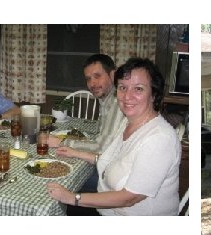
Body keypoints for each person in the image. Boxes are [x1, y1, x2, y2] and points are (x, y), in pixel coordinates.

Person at [46, 58, 181, 216]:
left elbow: (130, 198)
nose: (127, 96)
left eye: (138, 89)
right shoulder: (128, 124)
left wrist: (72, 197)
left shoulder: (159, 139)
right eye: (123, 87)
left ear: (154, 95)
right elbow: (111, 159)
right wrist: (75, 153)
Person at [48, 54, 125, 195]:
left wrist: (61, 142)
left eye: (97, 76)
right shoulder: (106, 99)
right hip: (108, 163)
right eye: (89, 79)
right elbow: (101, 136)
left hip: (114, 176)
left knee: (53, 179)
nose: (92, 84)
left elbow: (101, 148)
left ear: (113, 75)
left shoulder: (116, 102)